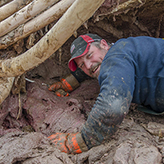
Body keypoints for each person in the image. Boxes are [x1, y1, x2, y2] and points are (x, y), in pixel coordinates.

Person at [48, 33, 164, 154]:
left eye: (89, 55)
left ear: (104, 44)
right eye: (81, 65)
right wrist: (69, 82)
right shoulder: (122, 49)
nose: (87, 65)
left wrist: (81, 141)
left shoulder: (115, 56)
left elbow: (113, 105)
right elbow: (103, 67)